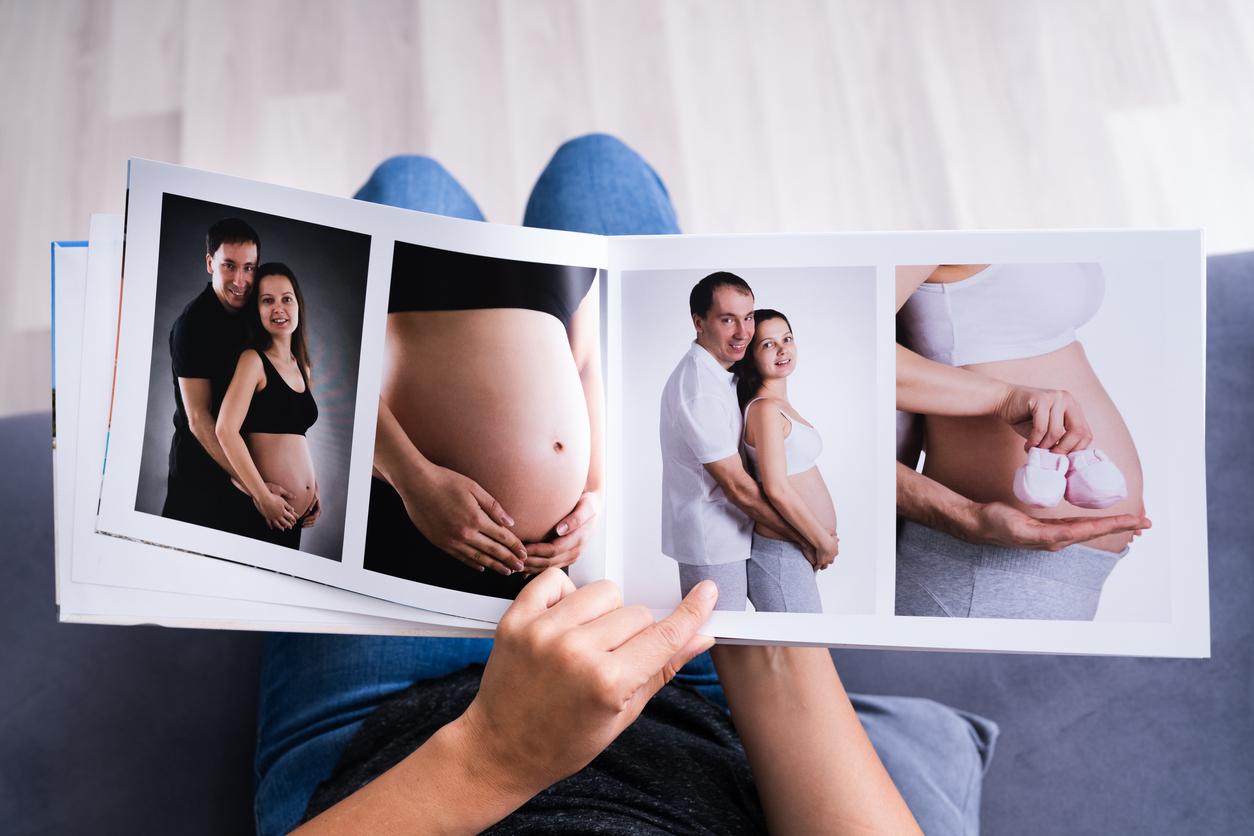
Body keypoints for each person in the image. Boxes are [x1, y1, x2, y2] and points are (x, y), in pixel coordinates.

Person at [255, 137, 997, 836]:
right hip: (679, 677)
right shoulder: (712, 386)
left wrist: (495, 751)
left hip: (396, 720)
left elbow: (325, 366)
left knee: (414, 184)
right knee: (594, 166)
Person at [895, 263, 1151, 620]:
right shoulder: (932, 221)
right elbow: (845, 355)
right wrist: (1001, 398)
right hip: (985, 570)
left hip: (1063, 570)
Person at [364, 224, 604, 600]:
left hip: (547, 569)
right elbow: (322, 358)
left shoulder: (572, 243)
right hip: (418, 518)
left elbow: (585, 362)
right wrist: (415, 480)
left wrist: (593, 494)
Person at [658, 274, 819, 611]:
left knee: (762, 647)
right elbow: (737, 487)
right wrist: (806, 536)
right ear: (698, 322)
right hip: (713, 542)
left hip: (746, 534)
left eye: (748, 317)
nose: (743, 331)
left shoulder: (726, 377)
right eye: (728, 319)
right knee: (724, 645)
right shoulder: (699, 389)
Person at [162, 219, 292, 528]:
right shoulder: (192, 326)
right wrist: (257, 488)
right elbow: (200, 421)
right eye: (229, 266)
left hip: (253, 482)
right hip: (202, 482)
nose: (241, 280)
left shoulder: (257, 312)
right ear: (210, 263)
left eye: (249, 268)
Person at [729, 309, 837, 613]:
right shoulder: (764, 409)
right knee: (804, 650)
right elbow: (776, 488)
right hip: (780, 553)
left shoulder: (778, 405)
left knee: (793, 654)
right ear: (750, 355)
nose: (782, 349)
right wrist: (822, 541)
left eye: (787, 338)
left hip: (793, 552)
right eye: (768, 344)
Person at [215, 263, 321, 549]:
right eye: (267, 300)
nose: (279, 308)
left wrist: (313, 489)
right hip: (259, 509)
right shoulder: (253, 361)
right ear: (256, 310)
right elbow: (225, 430)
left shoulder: (303, 369)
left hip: (290, 517)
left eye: (286, 299)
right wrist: (261, 496)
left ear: (298, 305)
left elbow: (294, 433)